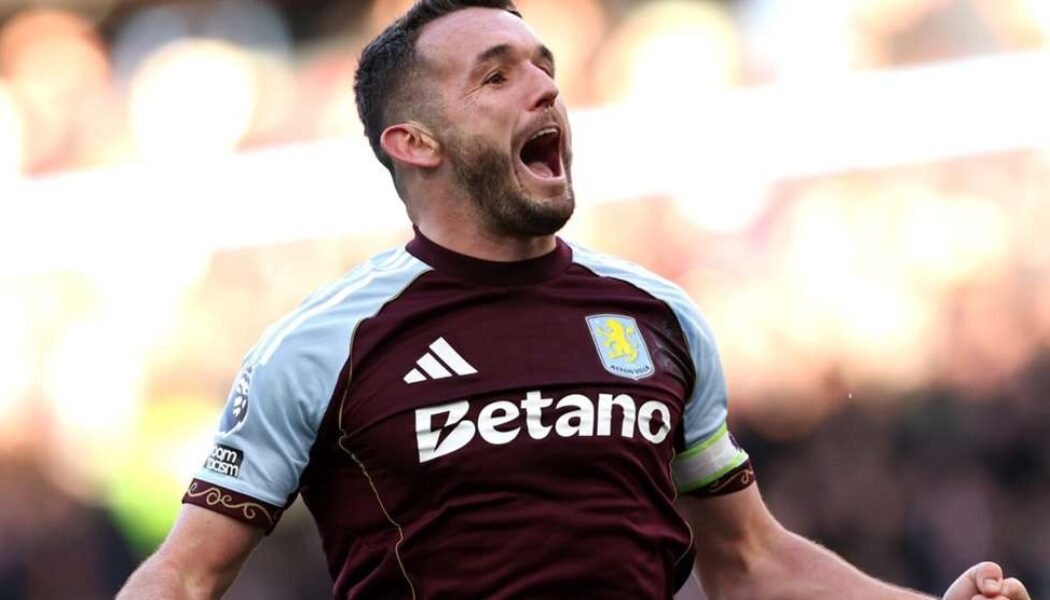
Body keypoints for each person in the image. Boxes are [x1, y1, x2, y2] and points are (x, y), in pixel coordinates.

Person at [118, 1, 1032, 598]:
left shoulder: (659, 319)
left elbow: (751, 556)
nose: (546, 85)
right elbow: (186, 577)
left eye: (543, 65)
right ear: (415, 142)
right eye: (496, 74)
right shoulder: (319, 348)